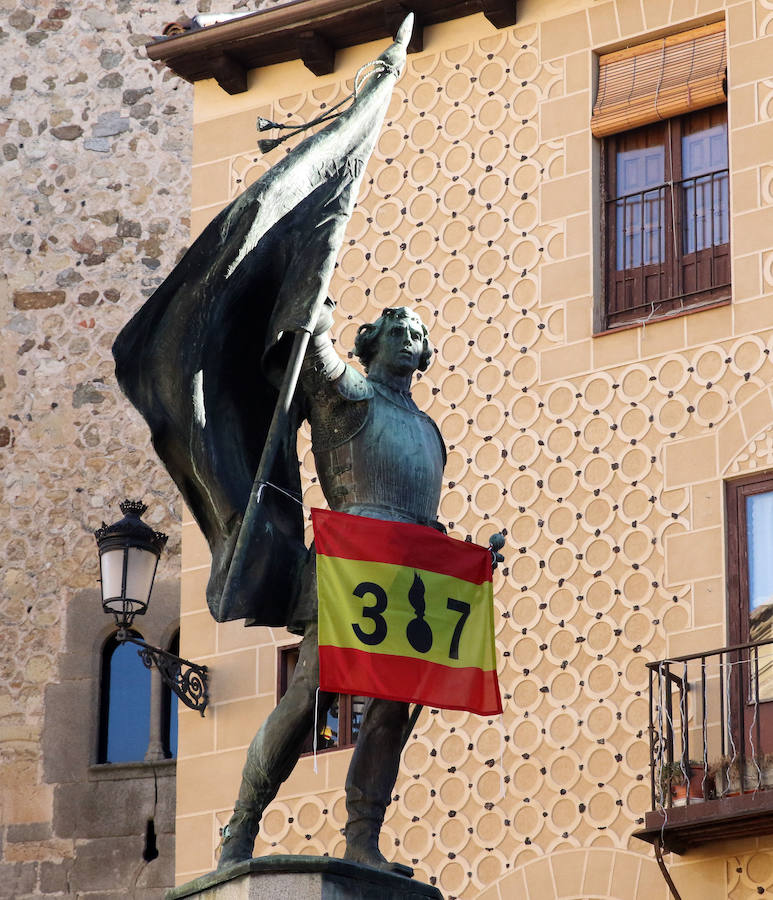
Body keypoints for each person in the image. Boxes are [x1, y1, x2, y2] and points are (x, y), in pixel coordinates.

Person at [217, 305, 446, 873]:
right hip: (351, 563)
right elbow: (313, 349)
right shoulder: (349, 396)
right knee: (310, 694)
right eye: (397, 331)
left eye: (417, 334)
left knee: (391, 712)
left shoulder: (428, 430)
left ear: (424, 355)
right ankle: (242, 824)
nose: (409, 339)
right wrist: (311, 313)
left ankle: (363, 838)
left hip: (414, 579)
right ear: (370, 344)